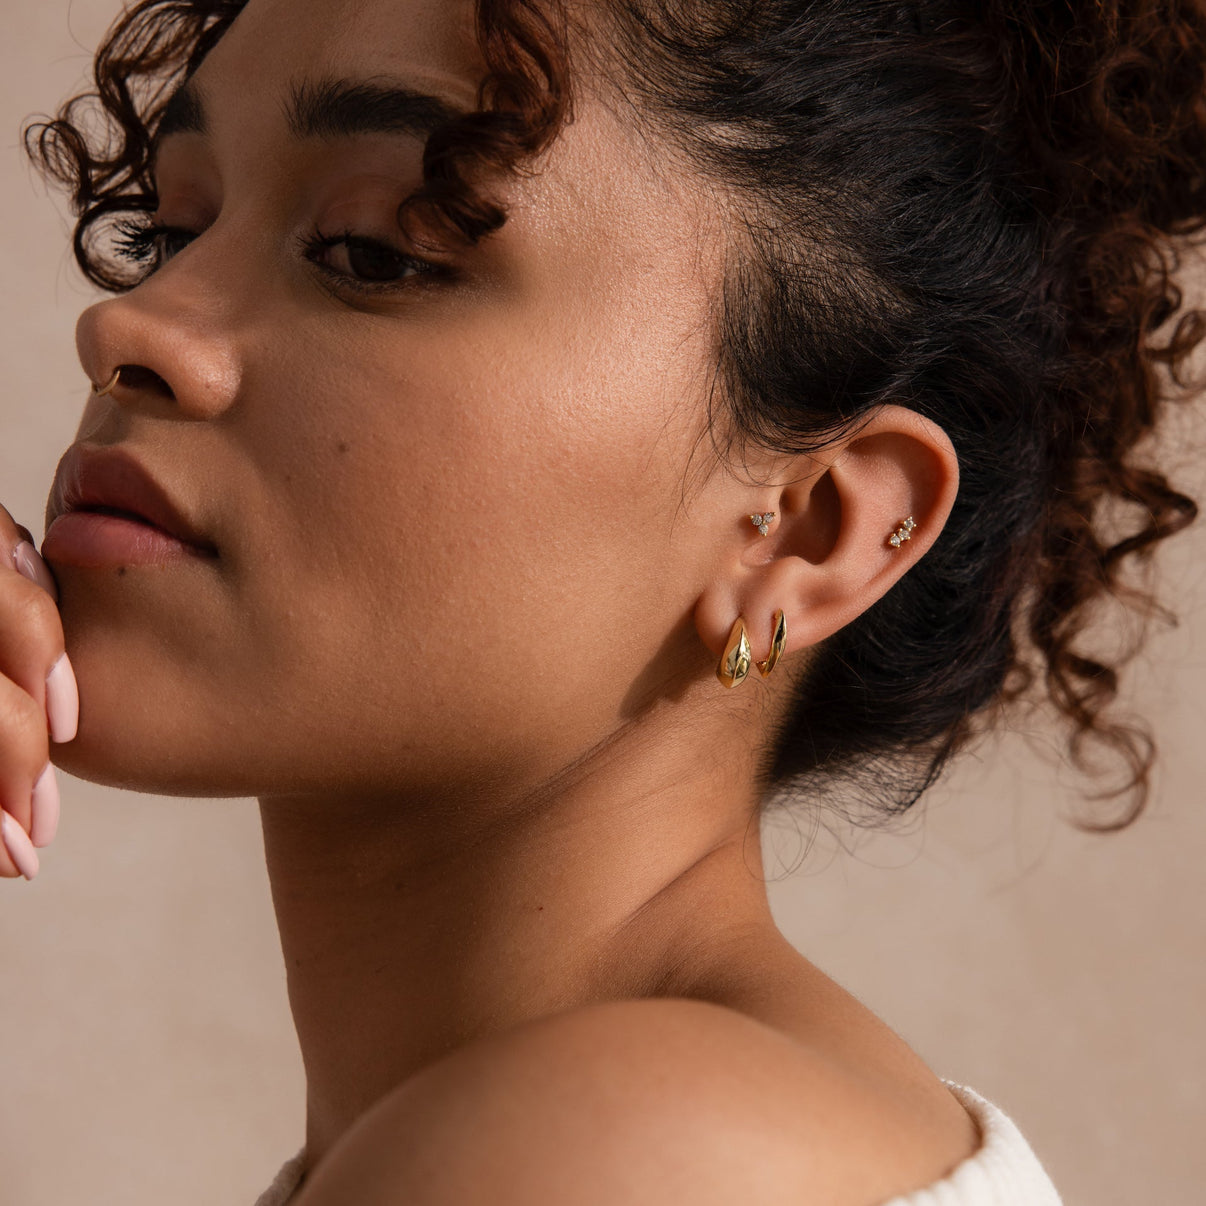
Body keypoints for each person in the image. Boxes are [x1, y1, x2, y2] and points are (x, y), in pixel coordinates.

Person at [4, 0, 1203, 1201]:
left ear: (809, 533)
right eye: (170, 230)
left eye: (376, 251)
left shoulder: (620, 1150)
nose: (128, 326)